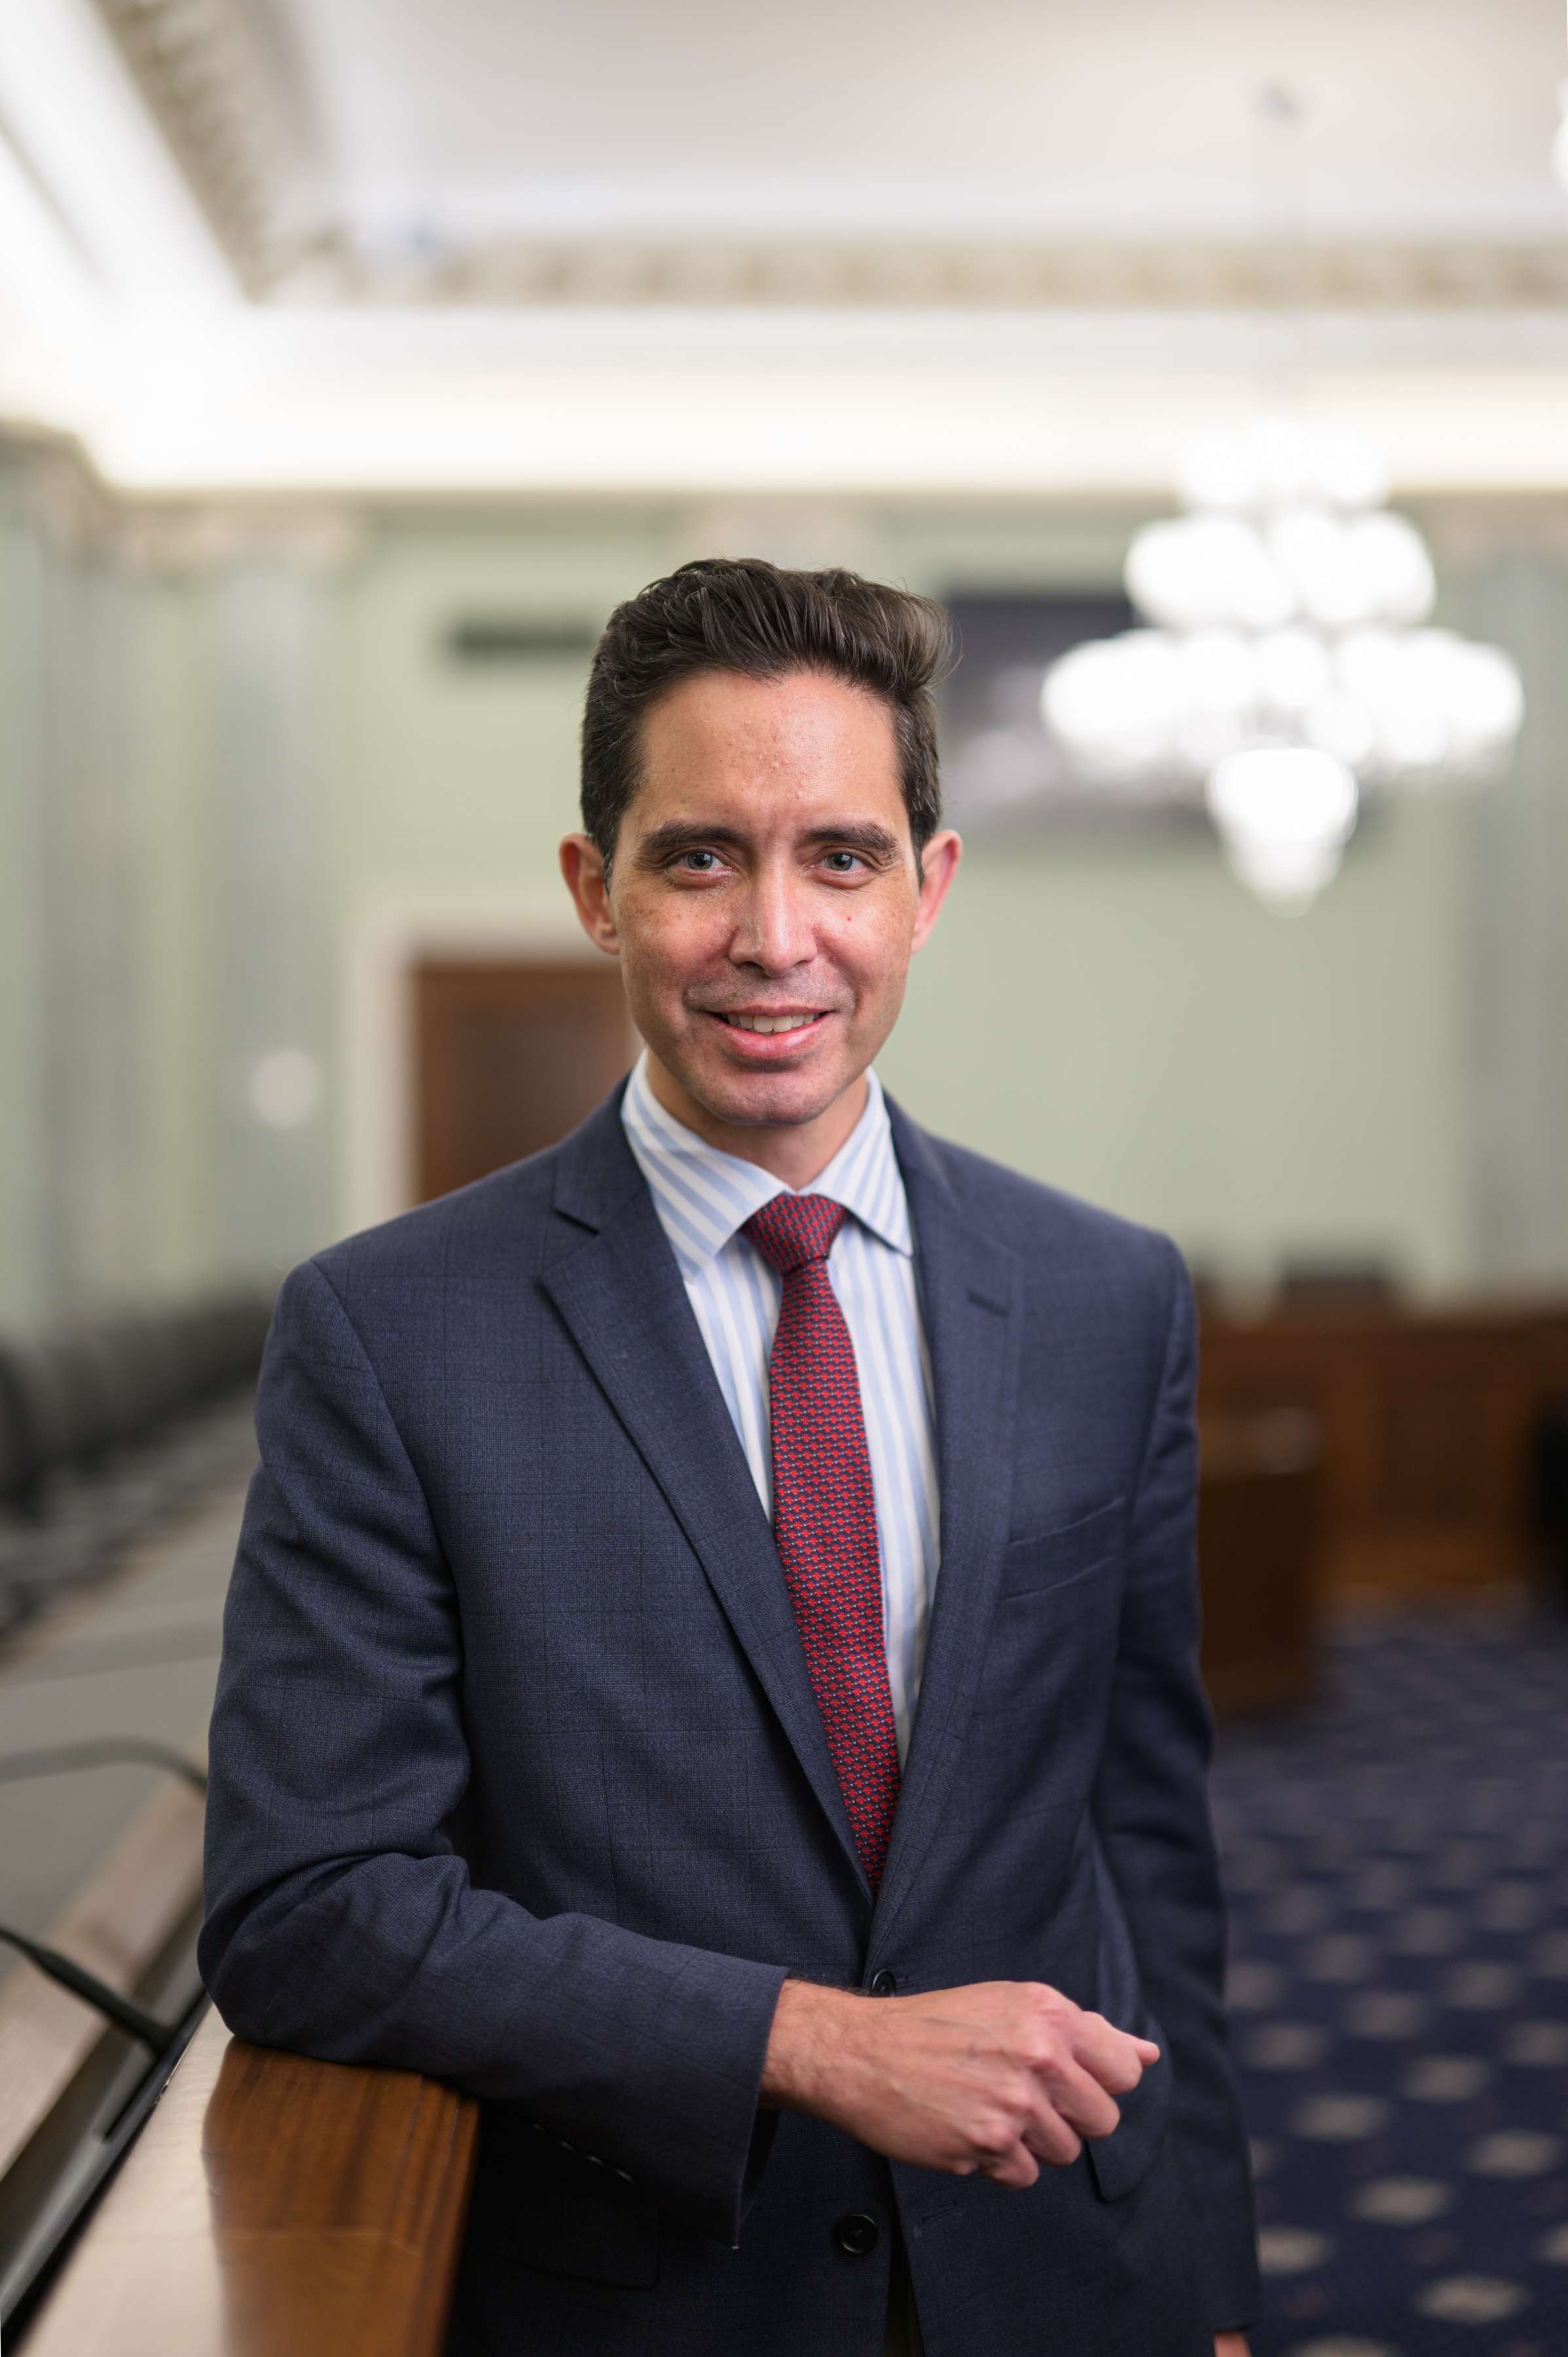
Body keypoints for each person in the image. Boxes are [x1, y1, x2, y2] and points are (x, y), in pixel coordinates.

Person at [200, 558, 1259, 2356]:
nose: (776, 934)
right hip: (651, 2295)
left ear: (925, 890)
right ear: (592, 890)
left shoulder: (1106, 1297)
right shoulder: (389, 1335)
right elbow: (311, 1909)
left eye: (839, 856)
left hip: (1059, 2279)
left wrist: (1207, 2281)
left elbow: (1143, 1844)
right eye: (700, 856)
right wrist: (810, 2039)